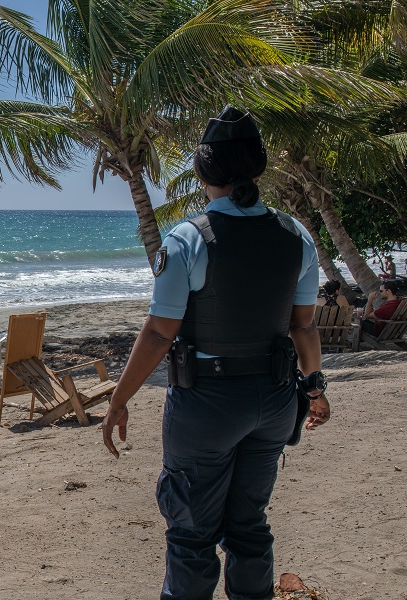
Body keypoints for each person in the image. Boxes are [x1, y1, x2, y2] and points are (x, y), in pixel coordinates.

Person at [101, 106, 331, 600]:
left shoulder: (188, 239)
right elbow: (303, 327)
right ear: (258, 167)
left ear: (204, 171)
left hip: (207, 405)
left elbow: (161, 334)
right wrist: (314, 387)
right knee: (250, 525)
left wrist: (120, 399)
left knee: (191, 534)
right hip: (273, 401)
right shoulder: (296, 236)